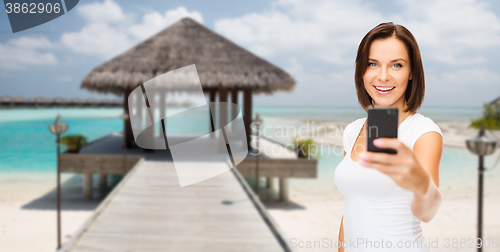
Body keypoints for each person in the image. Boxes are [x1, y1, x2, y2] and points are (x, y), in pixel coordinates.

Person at [334, 22, 443, 252]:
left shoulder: (424, 133)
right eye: (373, 64)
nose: (383, 76)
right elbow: (351, 209)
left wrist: (420, 182)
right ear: (361, 70)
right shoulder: (352, 131)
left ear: (411, 72)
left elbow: (428, 212)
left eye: (396, 65)